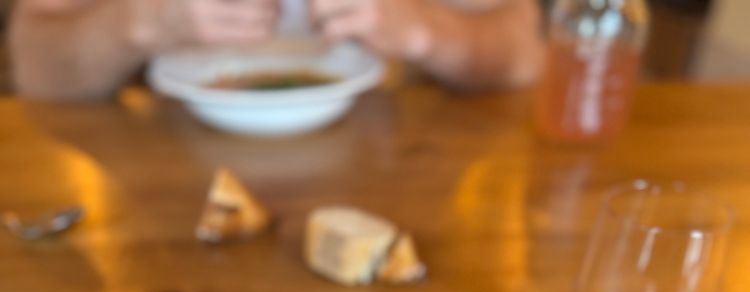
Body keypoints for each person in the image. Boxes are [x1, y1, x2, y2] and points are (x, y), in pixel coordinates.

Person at [9, 0, 544, 101]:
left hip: (387, 177)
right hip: (162, 197)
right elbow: (35, 64)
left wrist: (423, 27)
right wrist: (140, 19)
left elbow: (523, 51)